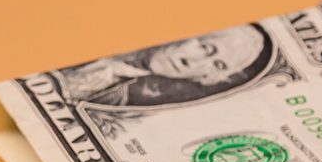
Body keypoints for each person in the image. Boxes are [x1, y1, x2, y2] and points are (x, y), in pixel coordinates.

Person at [58, 26, 271, 106]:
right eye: (205, 48)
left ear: (208, 77)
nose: (192, 62)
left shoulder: (113, 99)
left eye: (217, 64)